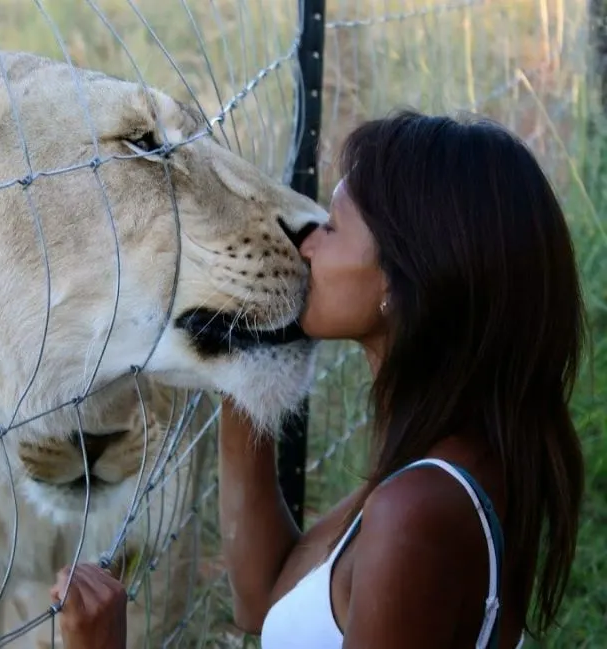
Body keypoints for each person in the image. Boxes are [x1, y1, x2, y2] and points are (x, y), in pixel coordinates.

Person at [49, 109, 586, 649]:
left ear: (400, 284)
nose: (305, 247)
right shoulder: (455, 452)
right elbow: (263, 597)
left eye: (331, 227)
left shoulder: (417, 510)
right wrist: (245, 351)